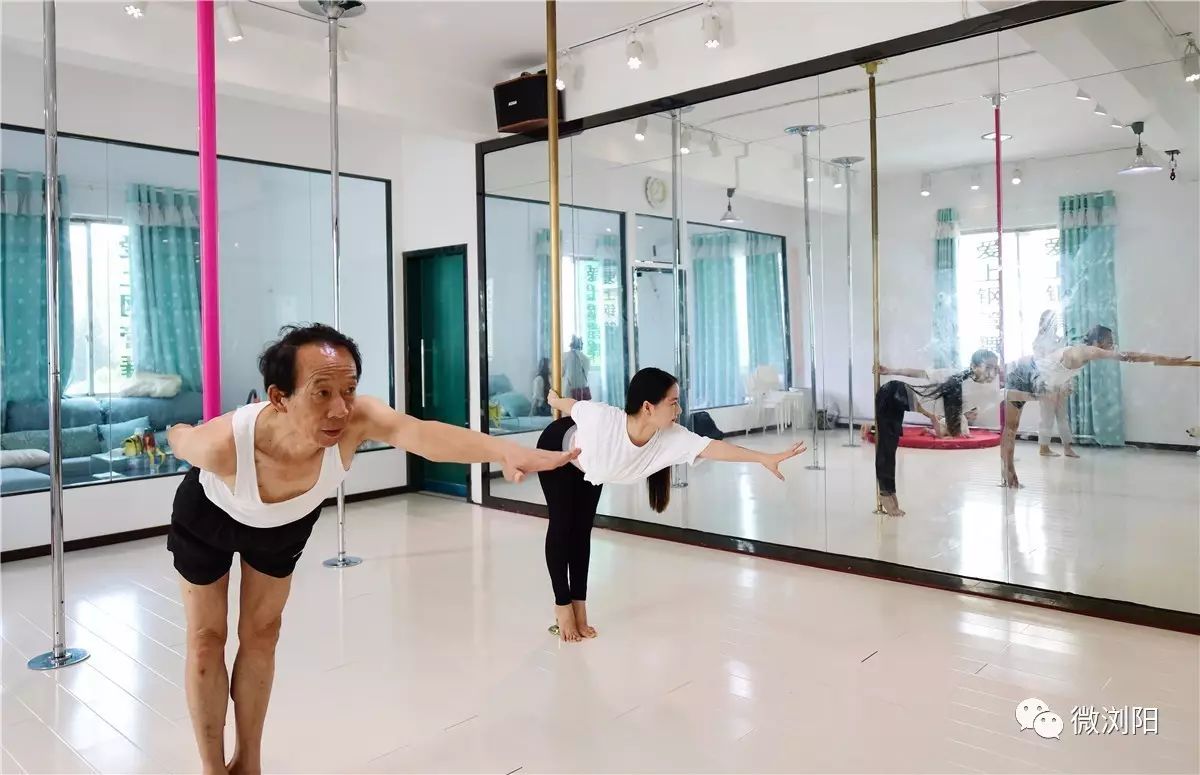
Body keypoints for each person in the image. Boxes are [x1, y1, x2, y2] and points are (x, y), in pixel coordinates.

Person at [165, 324, 578, 775]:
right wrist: (179, 429)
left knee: (262, 634)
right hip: (209, 516)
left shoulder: (355, 420)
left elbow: (422, 434)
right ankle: (212, 768)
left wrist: (503, 452)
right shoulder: (224, 445)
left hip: (284, 523)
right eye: (321, 393)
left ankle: (249, 763)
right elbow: (182, 439)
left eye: (348, 390)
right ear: (279, 397)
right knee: (207, 640)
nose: (340, 408)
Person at [537, 367, 806, 642]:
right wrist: (554, 400)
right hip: (556, 449)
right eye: (673, 403)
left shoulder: (671, 436)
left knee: (581, 531)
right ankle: (562, 607)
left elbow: (713, 448)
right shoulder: (604, 419)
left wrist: (762, 458)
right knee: (562, 525)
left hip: (588, 469)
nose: (679, 410)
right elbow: (573, 406)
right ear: (647, 407)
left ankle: (579, 607)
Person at [1001, 325, 1195, 487]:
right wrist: (1167, 358)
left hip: (1029, 377)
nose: (1112, 345)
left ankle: (1007, 472)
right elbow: (1130, 356)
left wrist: (1062, 385)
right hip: (1021, 374)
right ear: (1098, 341)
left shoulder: (1080, 352)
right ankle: (1007, 471)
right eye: (1110, 341)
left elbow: (1052, 367)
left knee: (1011, 427)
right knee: (1011, 427)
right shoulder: (1088, 351)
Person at [872, 350, 1001, 516]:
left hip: (901, 399)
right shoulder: (954, 375)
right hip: (893, 393)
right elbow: (920, 373)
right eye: (988, 367)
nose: (992, 373)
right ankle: (885, 494)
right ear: (973, 366)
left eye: (995, 368)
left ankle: (888, 492)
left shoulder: (986, 391)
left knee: (891, 444)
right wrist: (890, 370)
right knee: (887, 445)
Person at [1033, 310, 1076, 458]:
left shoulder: (1060, 341)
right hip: (1046, 384)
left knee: (1063, 416)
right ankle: (1044, 448)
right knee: (1047, 417)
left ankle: (1067, 447)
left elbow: (1066, 363)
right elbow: (1040, 365)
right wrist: (1046, 385)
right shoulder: (1038, 342)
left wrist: (1068, 383)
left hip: (1061, 383)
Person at [562, 335, 591, 400]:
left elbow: (561, 373)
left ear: (571, 345)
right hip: (582, 392)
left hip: (569, 391)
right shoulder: (586, 359)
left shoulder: (565, 356)